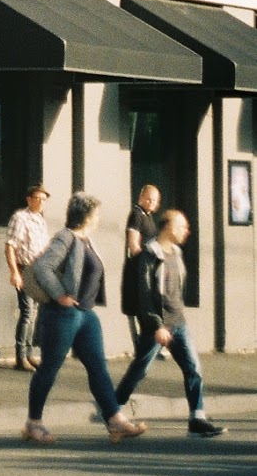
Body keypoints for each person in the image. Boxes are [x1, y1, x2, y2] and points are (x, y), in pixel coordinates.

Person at [22, 192, 147, 446]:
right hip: (63, 315)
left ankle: (115, 421)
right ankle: (33, 424)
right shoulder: (66, 237)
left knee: (98, 368)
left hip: (85, 315)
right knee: (49, 368)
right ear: (86, 216)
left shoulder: (86, 240)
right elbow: (43, 267)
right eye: (96, 214)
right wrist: (59, 295)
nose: (98, 218)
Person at [114, 210, 225, 438]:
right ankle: (112, 410)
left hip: (178, 322)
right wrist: (156, 325)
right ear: (168, 227)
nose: (187, 231)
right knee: (139, 371)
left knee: (193, 368)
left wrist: (178, 315)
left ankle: (197, 419)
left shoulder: (176, 252)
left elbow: (177, 291)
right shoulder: (149, 254)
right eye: (182, 226)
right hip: (158, 325)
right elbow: (144, 294)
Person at [4, 183, 50, 370]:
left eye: (43, 199)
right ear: (28, 199)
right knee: (27, 312)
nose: (40, 202)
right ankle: (20, 356)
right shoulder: (20, 218)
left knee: (35, 314)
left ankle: (30, 354)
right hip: (26, 269)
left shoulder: (40, 220)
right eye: (37, 198)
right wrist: (15, 272)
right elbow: (10, 246)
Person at [122, 182, 160, 346]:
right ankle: (140, 345)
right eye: (149, 199)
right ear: (141, 197)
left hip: (147, 269)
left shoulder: (148, 216)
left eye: (155, 200)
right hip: (137, 270)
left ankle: (148, 344)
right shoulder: (136, 215)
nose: (151, 203)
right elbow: (134, 245)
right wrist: (144, 265)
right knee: (139, 308)